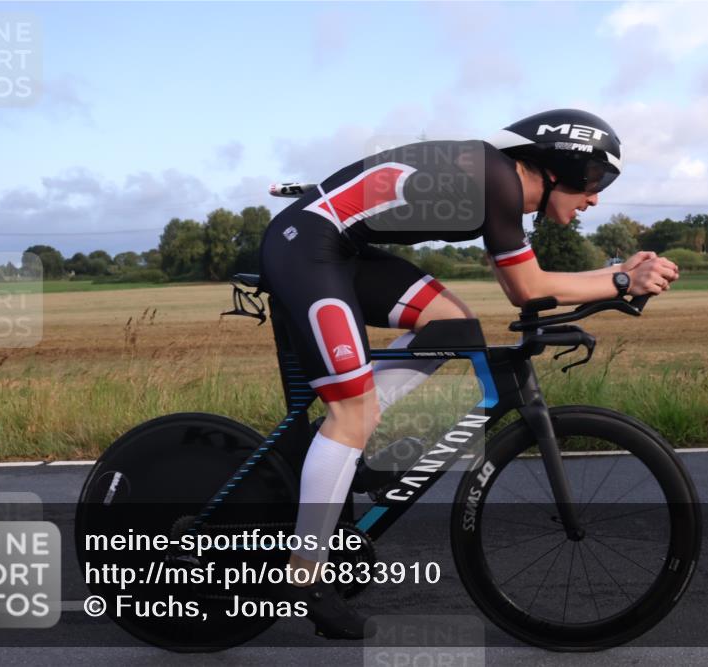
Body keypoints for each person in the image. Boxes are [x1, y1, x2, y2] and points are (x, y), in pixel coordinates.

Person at [258, 109, 679, 638]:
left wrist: (617, 273)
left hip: (341, 250)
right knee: (351, 412)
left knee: (454, 325)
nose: (595, 197)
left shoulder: (493, 177)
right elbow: (526, 290)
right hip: (308, 248)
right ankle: (304, 581)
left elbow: (534, 280)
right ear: (556, 167)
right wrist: (620, 279)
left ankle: (348, 443)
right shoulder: (497, 180)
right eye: (594, 179)